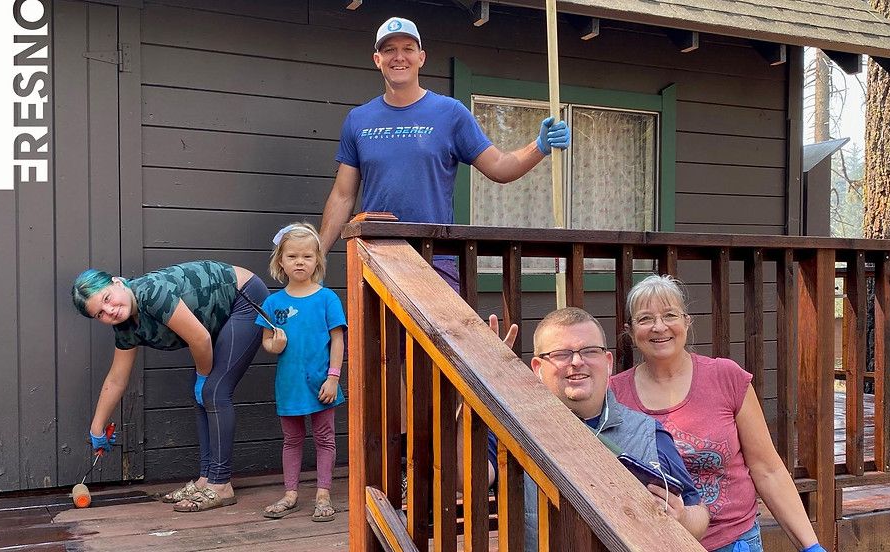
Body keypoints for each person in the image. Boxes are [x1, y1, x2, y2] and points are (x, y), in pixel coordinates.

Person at [318, 15, 572, 286]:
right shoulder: (359, 119)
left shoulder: (450, 113)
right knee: (379, 331)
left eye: (408, 49)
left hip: (435, 257)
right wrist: (318, 253)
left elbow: (499, 167)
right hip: (379, 258)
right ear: (377, 59)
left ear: (421, 57)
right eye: (389, 49)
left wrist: (540, 146)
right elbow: (343, 196)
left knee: (438, 331)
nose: (399, 57)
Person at [610, 274, 827, 552]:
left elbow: (768, 469)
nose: (659, 327)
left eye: (670, 315)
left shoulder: (726, 377)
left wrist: (810, 547)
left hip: (734, 540)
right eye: (645, 319)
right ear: (630, 331)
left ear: (687, 322)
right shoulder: (614, 395)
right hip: (654, 543)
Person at [488, 308, 709, 550]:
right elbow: (462, 475)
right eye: (561, 354)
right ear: (537, 368)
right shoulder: (511, 429)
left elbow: (697, 511)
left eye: (589, 351)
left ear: (608, 363)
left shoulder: (647, 433)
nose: (576, 362)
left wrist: (681, 517)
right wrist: (482, 379)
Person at [71, 260, 269, 512]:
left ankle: (221, 484)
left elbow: (200, 338)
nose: (109, 311)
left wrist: (202, 377)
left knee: (213, 391)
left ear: (117, 282)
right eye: (99, 313)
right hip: (217, 313)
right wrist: (97, 428)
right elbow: (116, 379)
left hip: (243, 298)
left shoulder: (151, 293)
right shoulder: (124, 325)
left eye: (107, 299)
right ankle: (206, 479)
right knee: (204, 394)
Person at [256, 223, 346, 523]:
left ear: (317, 260)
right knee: (291, 440)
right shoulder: (273, 302)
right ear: (280, 260)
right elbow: (267, 342)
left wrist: (333, 377)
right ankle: (291, 493)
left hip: (323, 383)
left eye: (307, 256)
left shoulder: (327, 299)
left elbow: (338, 340)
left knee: (325, 438)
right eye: (292, 256)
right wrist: (275, 345)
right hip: (289, 384)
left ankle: (323, 494)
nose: (300, 262)